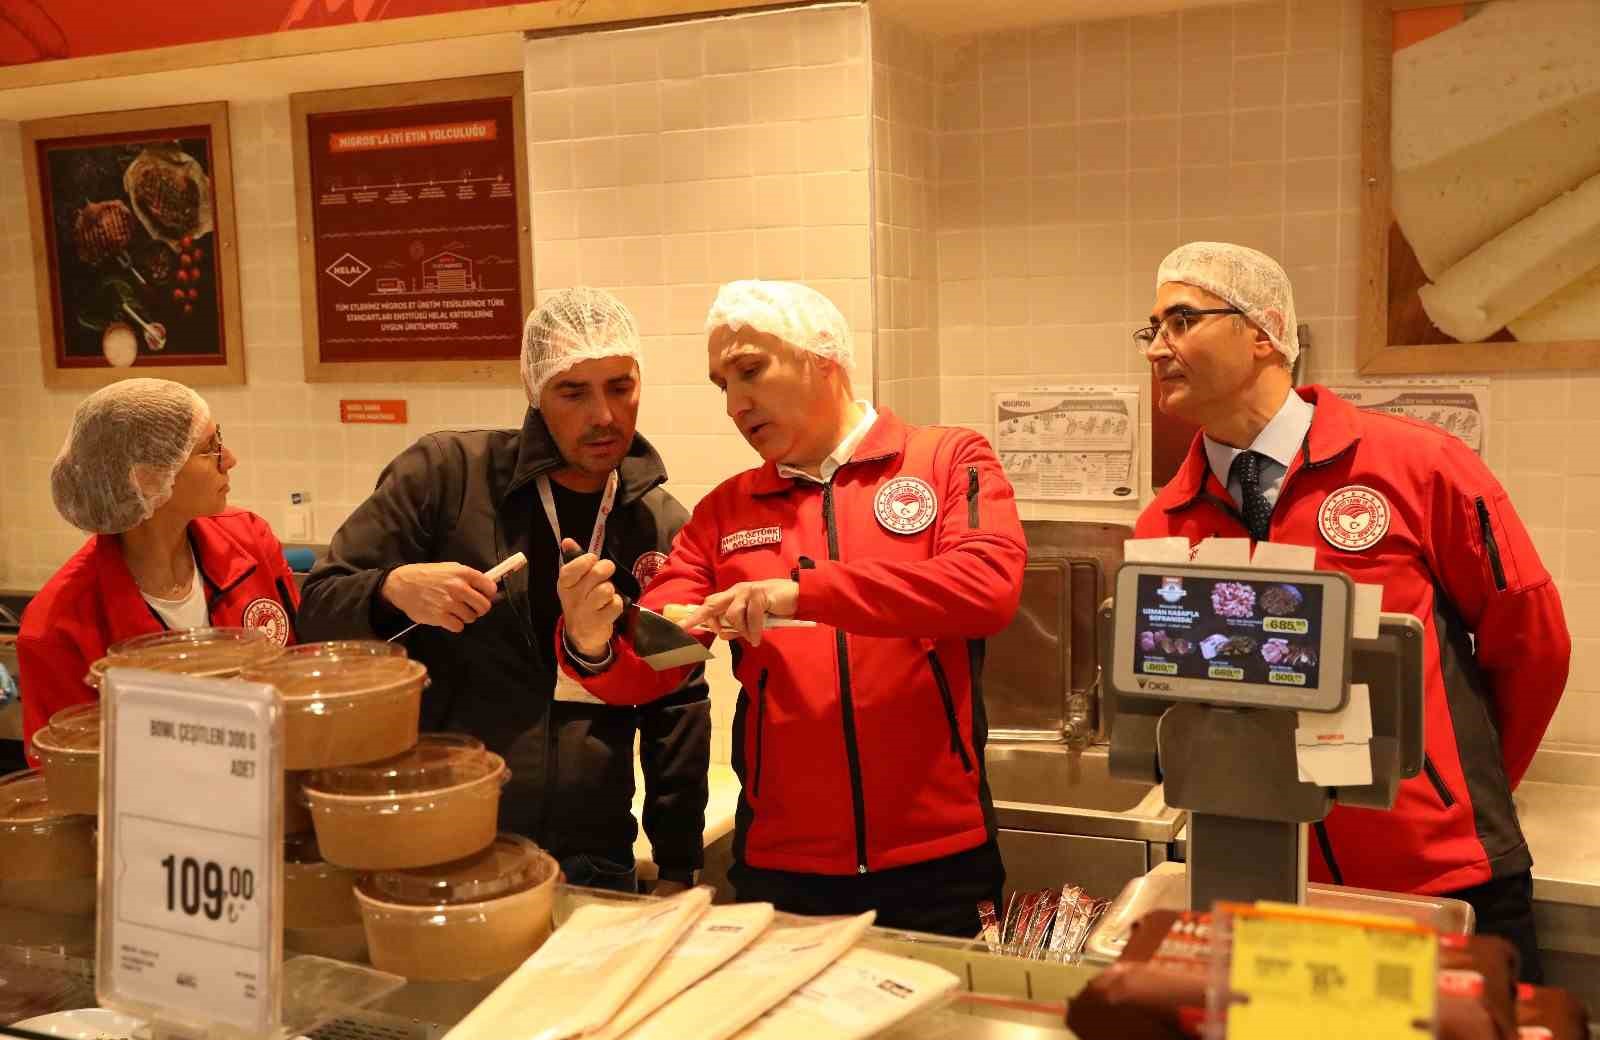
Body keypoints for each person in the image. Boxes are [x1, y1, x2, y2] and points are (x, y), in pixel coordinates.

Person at [1133, 241, 1570, 981]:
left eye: (1181, 320)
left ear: (1264, 332)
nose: (1159, 349)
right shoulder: (1164, 526)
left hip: (1439, 875)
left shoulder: (1415, 466)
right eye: (1151, 331)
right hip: (1269, 884)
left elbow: (1531, 642)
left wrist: (1445, 786)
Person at [554, 279, 1027, 937]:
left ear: (823, 357)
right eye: (723, 385)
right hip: (783, 865)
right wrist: (593, 640)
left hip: (941, 855)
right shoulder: (726, 512)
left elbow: (985, 588)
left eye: (751, 371)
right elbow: (658, 661)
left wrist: (808, 594)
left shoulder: (947, 459)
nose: (736, 403)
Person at [297, 287, 710, 895]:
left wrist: (677, 866)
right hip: (441, 839)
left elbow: (678, 699)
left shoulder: (659, 525)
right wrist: (392, 591)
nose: (604, 415)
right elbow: (316, 609)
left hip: (593, 853)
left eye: (620, 387)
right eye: (574, 391)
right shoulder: (446, 475)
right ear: (535, 393)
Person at [18, 378, 299, 749]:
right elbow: (69, 779)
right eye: (209, 448)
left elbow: (300, 676)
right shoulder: (57, 627)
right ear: (148, 477)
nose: (229, 459)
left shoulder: (250, 540)